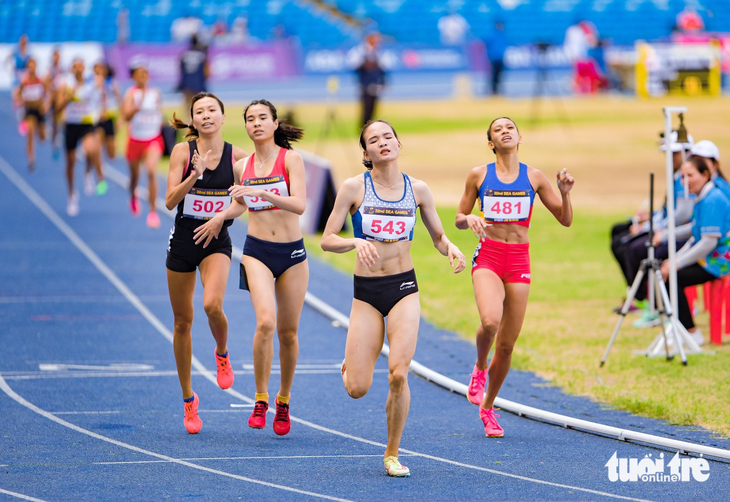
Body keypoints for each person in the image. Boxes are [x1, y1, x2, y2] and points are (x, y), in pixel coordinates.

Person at [321, 119, 466, 477]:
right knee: (357, 388)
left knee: (398, 374)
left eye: (388, 137)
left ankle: (392, 452)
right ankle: (350, 363)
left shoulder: (418, 190)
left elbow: (438, 236)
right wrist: (354, 241)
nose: (383, 143)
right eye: (374, 140)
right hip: (366, 294)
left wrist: (451, 249)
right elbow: (326, 239)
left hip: (404, 288)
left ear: (399, 144)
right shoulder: (354, 188)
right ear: (366, 153)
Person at [455, 117, 574, 437]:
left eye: (510, 127)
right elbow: (458, 218)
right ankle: (479, 368)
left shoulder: (534, 177)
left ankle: (488, 407)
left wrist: (565, 193)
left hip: (519, 259)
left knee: (507, 346)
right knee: (490, 321)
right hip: (489, 257)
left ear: (519, 137)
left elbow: (565, 220)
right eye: (498, 129)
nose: (505, 131)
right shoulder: (479, 175)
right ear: (491, 143)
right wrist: (469, 219)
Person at [195, 99, 307, 437]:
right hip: (257, 251)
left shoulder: (292, 160)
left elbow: (300, 205)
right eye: (250, 119)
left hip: (292, 254)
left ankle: (283, 400)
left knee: (288, 333)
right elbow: (239, 205)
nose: (256, 123)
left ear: (275, 124)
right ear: (244, 126)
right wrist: (220, 216)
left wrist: (267, 192)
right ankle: (260, 399)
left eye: (262, 118)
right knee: (266, 323)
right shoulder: (243, 166)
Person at [164, 92, 247, 434]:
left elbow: (242, 204)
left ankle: (222, 352)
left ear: (223, 117)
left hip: (216, 241)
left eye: (212, 110)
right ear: (194, 120)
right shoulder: (183, 153)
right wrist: (194, 176)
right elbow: (170, 201)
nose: (207, 115)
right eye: (200, 112)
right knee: (183, 321)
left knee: (213, 304)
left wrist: (220, 217)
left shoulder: (238, 158)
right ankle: (188, 400)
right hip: (183, 242)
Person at [660, 156, 730, 344]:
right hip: (708, 258)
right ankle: (681, 328)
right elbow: (695, 236)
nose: (685, 181)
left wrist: (677, 263)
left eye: (690, 175)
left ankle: (690, 332)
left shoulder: (712, 199)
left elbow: (708, 243)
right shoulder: (703, 197)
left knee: (673, 278)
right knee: (666, 271)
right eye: (683, 177)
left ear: (705, 174)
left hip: (720, 263)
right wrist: (674, 259)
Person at [55, 58, 107, 217]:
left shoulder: (92, 82)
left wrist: (102, 108)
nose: (78, 69)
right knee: (70, 162)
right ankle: (72, 194)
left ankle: (96, 176)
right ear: (72, 69)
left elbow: (102, 91)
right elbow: (57, 108)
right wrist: (69, 96)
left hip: (86, 124)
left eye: (80, 66)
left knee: (91, 148)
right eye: (75, 66)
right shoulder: (65, 84)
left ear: (84, 68)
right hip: (71, 125)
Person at [122, 60, 164, 228]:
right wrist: (135, 109)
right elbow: (125, 116)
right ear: (134, 77)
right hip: (135, 140)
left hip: (152, 139)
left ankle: (152, 211)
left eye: (145, 74)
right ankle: (133, 194)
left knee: (152, 171)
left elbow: (159, 112)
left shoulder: (155, 93)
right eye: (139, 74)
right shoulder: (131, 94)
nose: (143, 77)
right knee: (134, 176)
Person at [14, 57, 50, 172]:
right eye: (29, 66)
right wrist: (21, 100)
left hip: (39, 110)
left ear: (36, 66)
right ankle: (31, 159)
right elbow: (17, 94)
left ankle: (43, 131)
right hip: (29, 111)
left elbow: (50, 94)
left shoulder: (41, 80)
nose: (31, 68)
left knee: (42, 137)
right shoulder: (25, 81)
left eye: (33, 65)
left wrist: (46, 106)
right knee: (30, 134)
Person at [94, 61, 122, 160]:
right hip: (97, 117)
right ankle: (97, 167)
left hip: (109, 117)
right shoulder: (93, 82)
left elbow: (119, 100)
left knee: (111, 152)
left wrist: (120, 119)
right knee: (97, 144)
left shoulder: (112, 82)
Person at [178, 34, 209, 118]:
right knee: (199, 108)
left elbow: (181, 69)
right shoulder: (202, 54)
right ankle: (198, 127)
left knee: (187, 109)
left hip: (187, 85)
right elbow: (207, 71)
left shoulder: (184, 54)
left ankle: (187, 128)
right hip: (198, 85)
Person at [356, 54, 386, 126]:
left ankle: (371, 126)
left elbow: (382, 75)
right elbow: (356, 70)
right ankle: (363, 128)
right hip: (366, 92)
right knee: (366, 111)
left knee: (373, 111)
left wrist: (382, 84)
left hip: (374, 91)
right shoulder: (363, 68)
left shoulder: (377, 68)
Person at [47, 48, 65, 156]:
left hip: (61, 97)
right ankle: (54, 141)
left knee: (62, 119)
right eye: (55, 55)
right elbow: (47, 82)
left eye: (58, 56)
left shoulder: (62, 69)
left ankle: (61, 136)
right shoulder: (51, 69)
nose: (56, 58)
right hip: (53, 98)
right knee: (54, 120)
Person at [483, 21, 508, 96]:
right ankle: (493, 91)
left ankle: (498, 90)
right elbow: (487, 46)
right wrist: (489, 56)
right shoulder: (492, 35)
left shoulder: (503, 36)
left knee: (500, 76)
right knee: (493, 76)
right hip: (493, 59)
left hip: (501, 59)